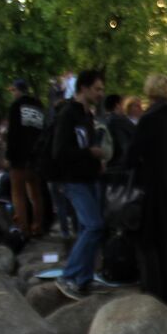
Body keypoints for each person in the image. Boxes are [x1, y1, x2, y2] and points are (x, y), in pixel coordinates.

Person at [52, 71, 107, 299]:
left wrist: (96, 161)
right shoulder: (68, 114)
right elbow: (60, 151)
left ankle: (83, 279)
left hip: (89, 178)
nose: (100, 94)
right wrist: (89, 153)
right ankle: (68, 275)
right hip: (73, 180)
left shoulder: (87, 115)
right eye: (97, 89)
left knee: (89, 228)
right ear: (83, 88)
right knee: (94, 226)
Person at [129, 75, 167, 301]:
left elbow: (132, 154)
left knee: (147, 242)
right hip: (166, 186)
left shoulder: (148, 118)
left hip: (148, 188)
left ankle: (152, 292)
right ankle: (164, 291)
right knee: (162, 242)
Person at [4, 79, 47, 238]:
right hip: (36, 157)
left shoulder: (16, 106)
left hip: (19, 156)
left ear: (18, 90)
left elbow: (13, 133)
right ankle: (38, 225)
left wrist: (9, 155)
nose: (12, 94)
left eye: (13, 91)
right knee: (36, 194)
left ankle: (23, 228)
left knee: (18, 193)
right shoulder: (39, 107)